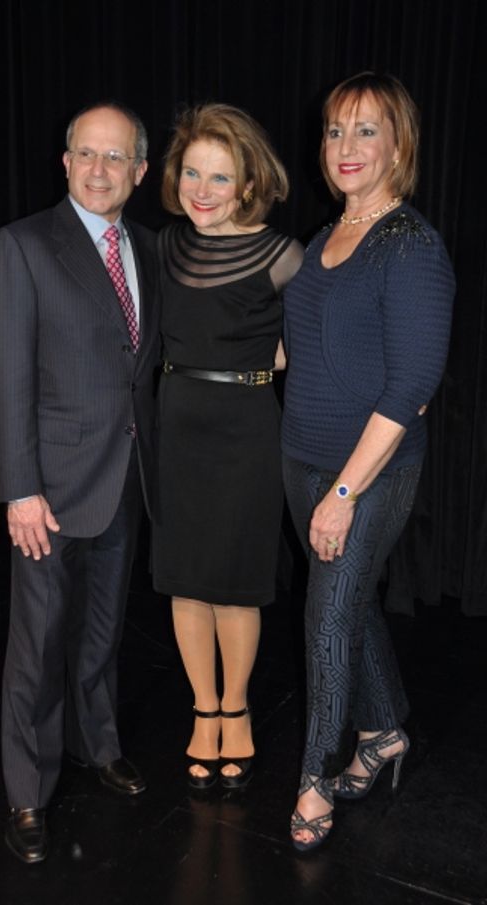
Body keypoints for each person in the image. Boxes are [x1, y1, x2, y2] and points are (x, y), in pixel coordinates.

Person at [0, 102, 160, 864]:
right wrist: (19, 488)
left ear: (141, 172)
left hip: (123, 481)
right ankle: (28, 790)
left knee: (101, 632)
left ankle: (98, 744)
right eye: (86, 153)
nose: (99, 169)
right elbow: (2, 374)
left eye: (116, 158)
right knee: (37, 644)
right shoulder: (20, 246)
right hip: (46, 491)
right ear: (66, 160)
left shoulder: (148, 246)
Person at [281, 72, 455, 851]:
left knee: (325, 620)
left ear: (399, 144)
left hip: (368, 471)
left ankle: (315, 774)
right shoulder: (327, 235)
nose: (345, 148)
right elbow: (311, 343)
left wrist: (345, 491)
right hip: (301, 458)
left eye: (366, 130)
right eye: (334, 131)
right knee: (348, 606)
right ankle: (385, 730)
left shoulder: (411, 245)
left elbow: (412, 385)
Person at [152, 103, 303, 790]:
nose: (203, 190)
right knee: (187, 579)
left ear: (248, 183)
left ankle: (235, 708)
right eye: (193, 173)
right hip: (179, 420)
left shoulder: (282, 255)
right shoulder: (163, 246)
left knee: (236, 583)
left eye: (221, 176)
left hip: (246, 426)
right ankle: (201, 706)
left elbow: (308, 346)